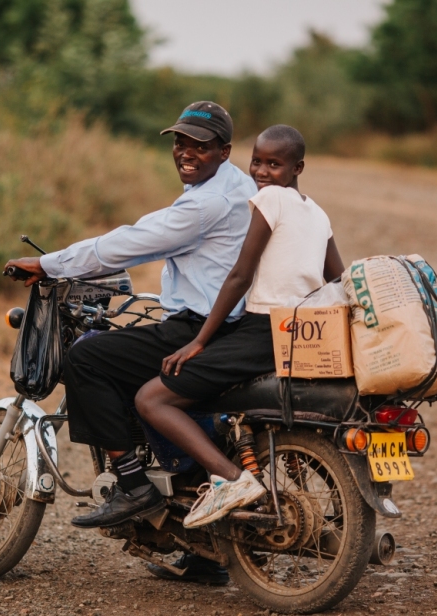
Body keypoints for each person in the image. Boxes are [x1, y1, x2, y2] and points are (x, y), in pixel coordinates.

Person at [4, 102, 257, 539]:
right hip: (232, 324)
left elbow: (129, 244)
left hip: (200, 328)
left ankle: (133, 483)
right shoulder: (239, 185)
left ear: (224, 151)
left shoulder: (204, 204)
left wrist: (50, 265)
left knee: (86, 358)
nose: (185, 152)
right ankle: (202, 553)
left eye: (199, 145)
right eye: (179, 142)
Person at [134, 124, 345, 528]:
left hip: (261, 329)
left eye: (274, 164)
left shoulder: (269, 199)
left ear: (298, 166)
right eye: (257, 162)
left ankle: (231, 481)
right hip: (296, 333)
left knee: (152, 399)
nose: (262, 172)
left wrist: (199, 341)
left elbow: (239, 276)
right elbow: (337, 280)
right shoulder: (317, 212)